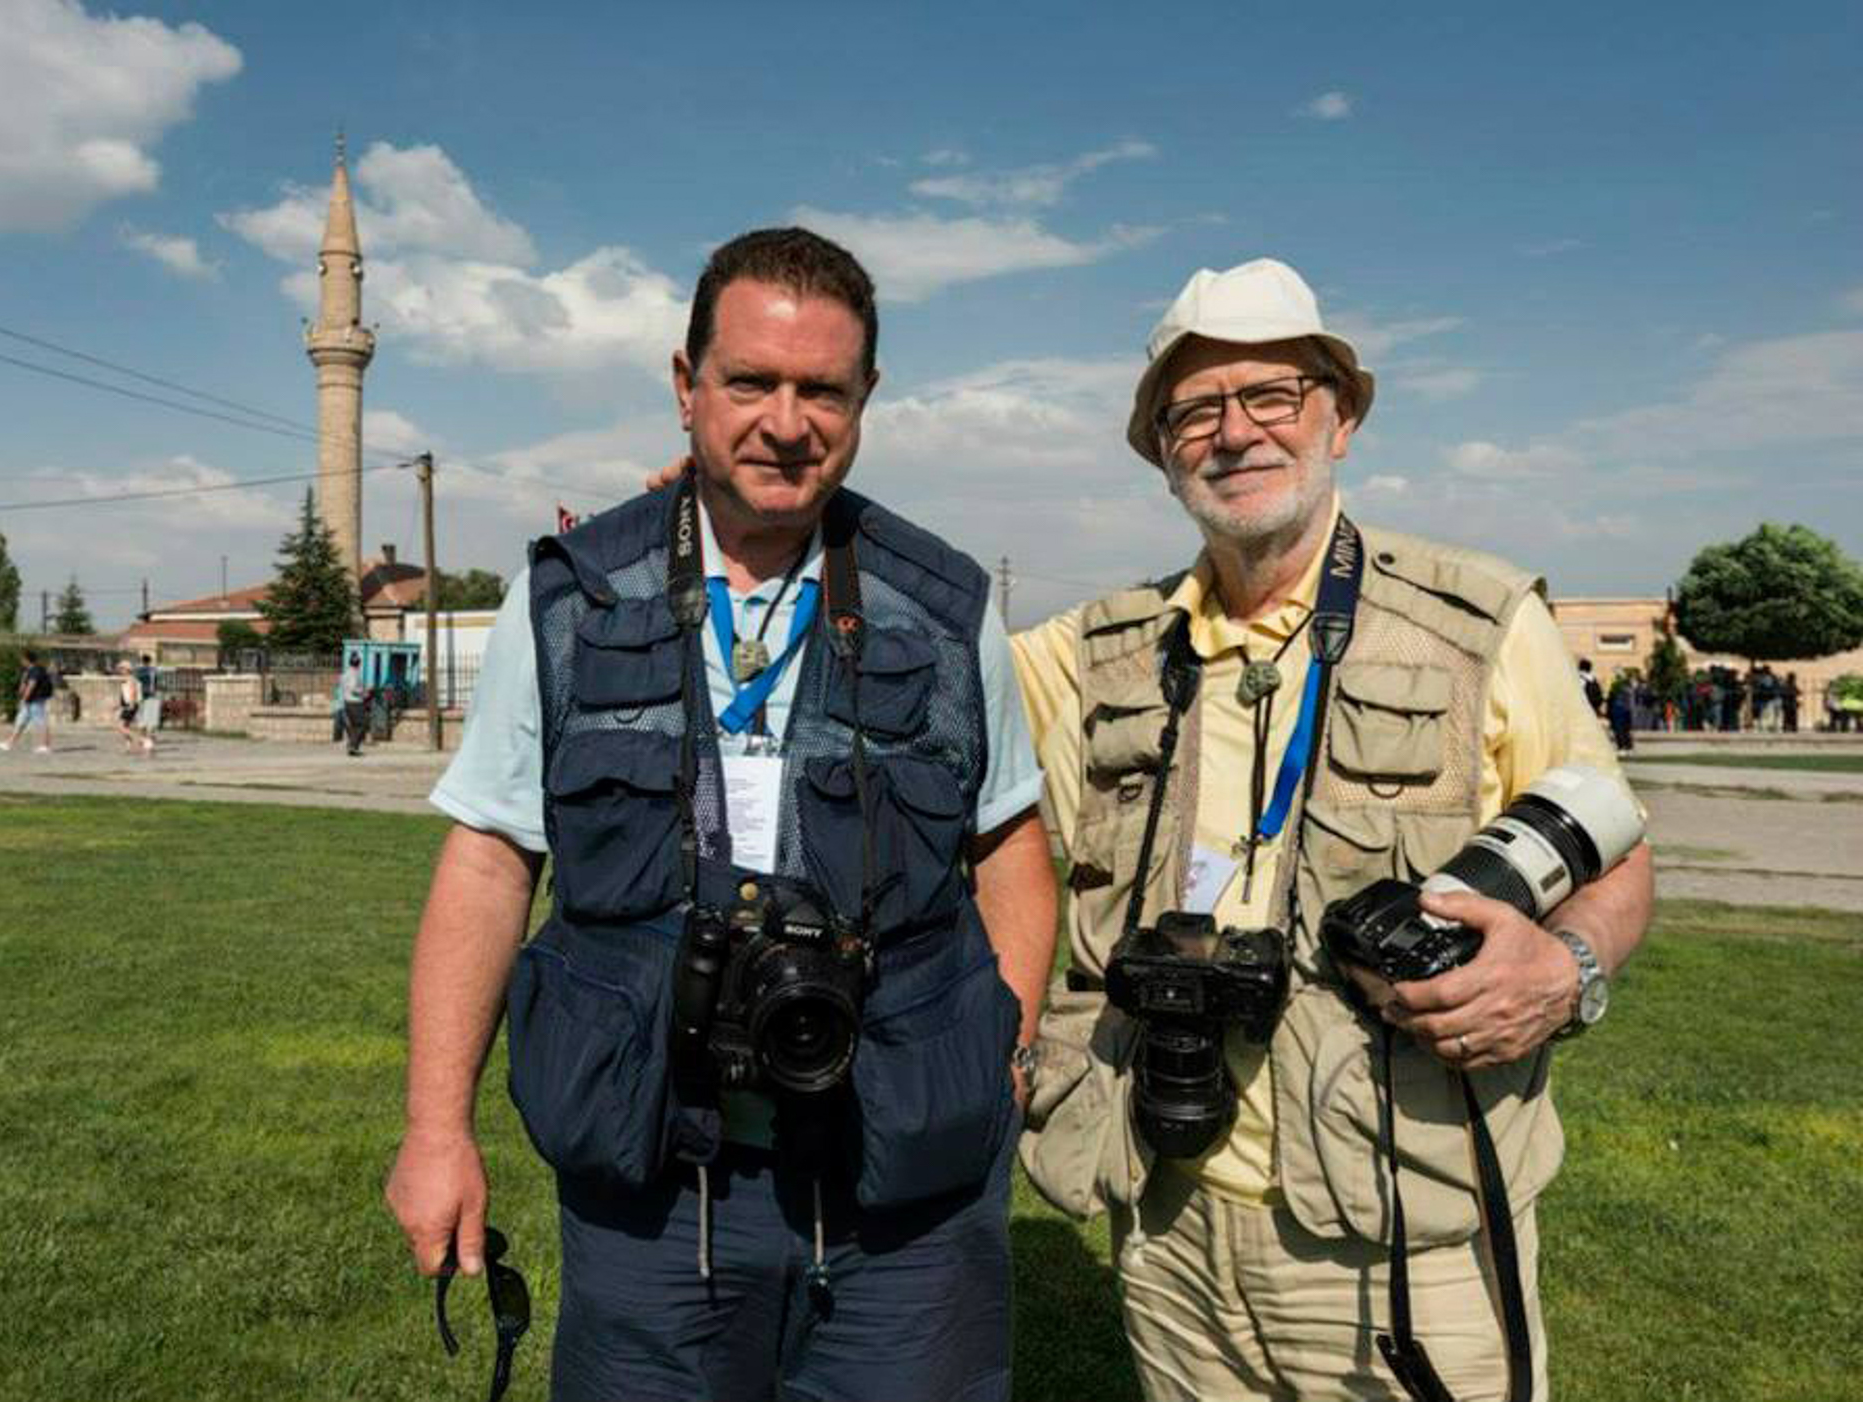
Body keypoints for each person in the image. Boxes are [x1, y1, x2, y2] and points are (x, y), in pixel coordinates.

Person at [385, 227, 1056, 1401]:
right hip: (653, 1179)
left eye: (822, 391)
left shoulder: (943, 609)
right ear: (685, 383)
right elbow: (489, 862)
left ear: (865, 398)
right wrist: (436, 1129)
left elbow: (1009, 850)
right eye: (750, 380)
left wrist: (1000, 1061)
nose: (785, 422)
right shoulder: (571, 602)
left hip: (900, 1195)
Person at [1008, 258, 1654, 1402]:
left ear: (1339, 417)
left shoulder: (1476, 623)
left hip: (1408, 1235)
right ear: (1160, 449)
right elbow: (917, 666)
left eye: (1271, 395)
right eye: (1194, 410)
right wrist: (715, 516)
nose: (1233, 432)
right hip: (1166, 1213)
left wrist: (1567, 967)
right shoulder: (1098, 653)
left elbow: (1617, 851)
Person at [0, 648, 55, 753]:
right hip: (30, 701)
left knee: (40, 722)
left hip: (35, 701)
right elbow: (23, 686)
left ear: (27, 660)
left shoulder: (36, 670)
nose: (21, 662)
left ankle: (45, 745)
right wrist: (23, 680)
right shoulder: (29, 671)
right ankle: (9, 744)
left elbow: (31, 686)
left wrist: (24, 699)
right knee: (20, 721)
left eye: (22, 659)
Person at [338, 652, 370, 756]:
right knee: (362, 724)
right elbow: (353, 688)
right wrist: (364, 692)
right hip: (355, 703)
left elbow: (343, 687)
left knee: (354, 725)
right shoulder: (354, 674)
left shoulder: (345, 674)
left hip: (347, 702)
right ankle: (353, 746)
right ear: (359, 663)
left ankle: (352, 745)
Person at [134, 654, 160, 755]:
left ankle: (144, 742)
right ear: (150, 661)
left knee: (142, 721)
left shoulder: (138, 671)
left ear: (142, 661)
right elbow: (156, 683)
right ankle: (149, 743)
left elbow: (135, 683)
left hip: (141, 697)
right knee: (151, 722)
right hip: (152, 696)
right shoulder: (154, 670)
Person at [115, 661, 143, 754]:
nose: (120, 671)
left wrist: (131, 704)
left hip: (131, 705)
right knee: (126, 726)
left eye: (122, 669)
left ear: (127, 670)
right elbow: (125, 695)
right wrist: (119, 705)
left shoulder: (131, 679)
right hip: (129, 704)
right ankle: (128, 747)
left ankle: (140, 740)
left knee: (121, 727)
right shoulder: (127, 679)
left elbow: (133, 692)